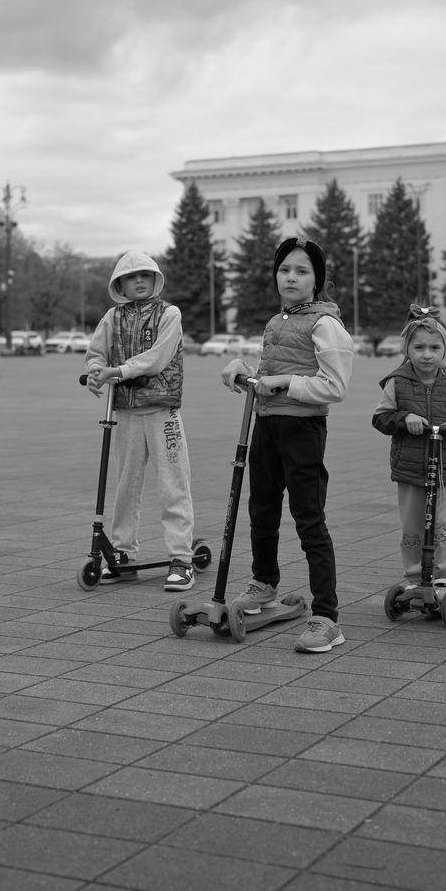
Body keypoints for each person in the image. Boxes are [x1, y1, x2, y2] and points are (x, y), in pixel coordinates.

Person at [221, 237, 354, 653]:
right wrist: (243, 371)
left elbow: (335, 386)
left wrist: (287, 383)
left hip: (302, 431)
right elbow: (271, 370)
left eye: (301, 271)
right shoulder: (278, 321)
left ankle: (327, 617)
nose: (291, 277)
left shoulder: (325, 324)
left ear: (317, 279)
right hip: (267, 425)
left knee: (308, 518)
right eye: (284, 270)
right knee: (261, 508)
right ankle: (263, 585)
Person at [84, 250, 196, 591]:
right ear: (120, 284)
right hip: (127, 411)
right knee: (125, 485)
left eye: (145, 275)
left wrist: (116, 371)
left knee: (173, 483)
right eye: (132, 277)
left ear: (155, 279)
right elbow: (96, 353)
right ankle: (122, 555)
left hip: (162, 410)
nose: (139, 281)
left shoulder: (169, 313)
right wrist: (94, 372)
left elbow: (157, 358)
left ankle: (181, 558)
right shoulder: (111, 318)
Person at [372, 305, 446, 593]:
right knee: (412, 526)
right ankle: (414, 576)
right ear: (407, 350)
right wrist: (403, 418)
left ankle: (445, 574)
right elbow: (381, 418)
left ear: (444, 350)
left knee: (445, 525)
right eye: (419, 347)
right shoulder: (397, 383)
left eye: (435, 347)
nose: (427, 354)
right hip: (410, 468)